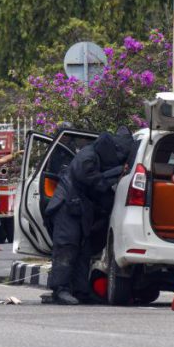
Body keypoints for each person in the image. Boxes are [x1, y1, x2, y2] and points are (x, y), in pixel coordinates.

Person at [44, 128, 135, 305]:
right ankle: (60, 290)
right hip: (66, 208)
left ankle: (81, 291)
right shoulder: (88, 156)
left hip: (79, 209)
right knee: (67, 247)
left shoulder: (96, 156)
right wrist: (117, 172)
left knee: (83, 251)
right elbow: (92, 180)